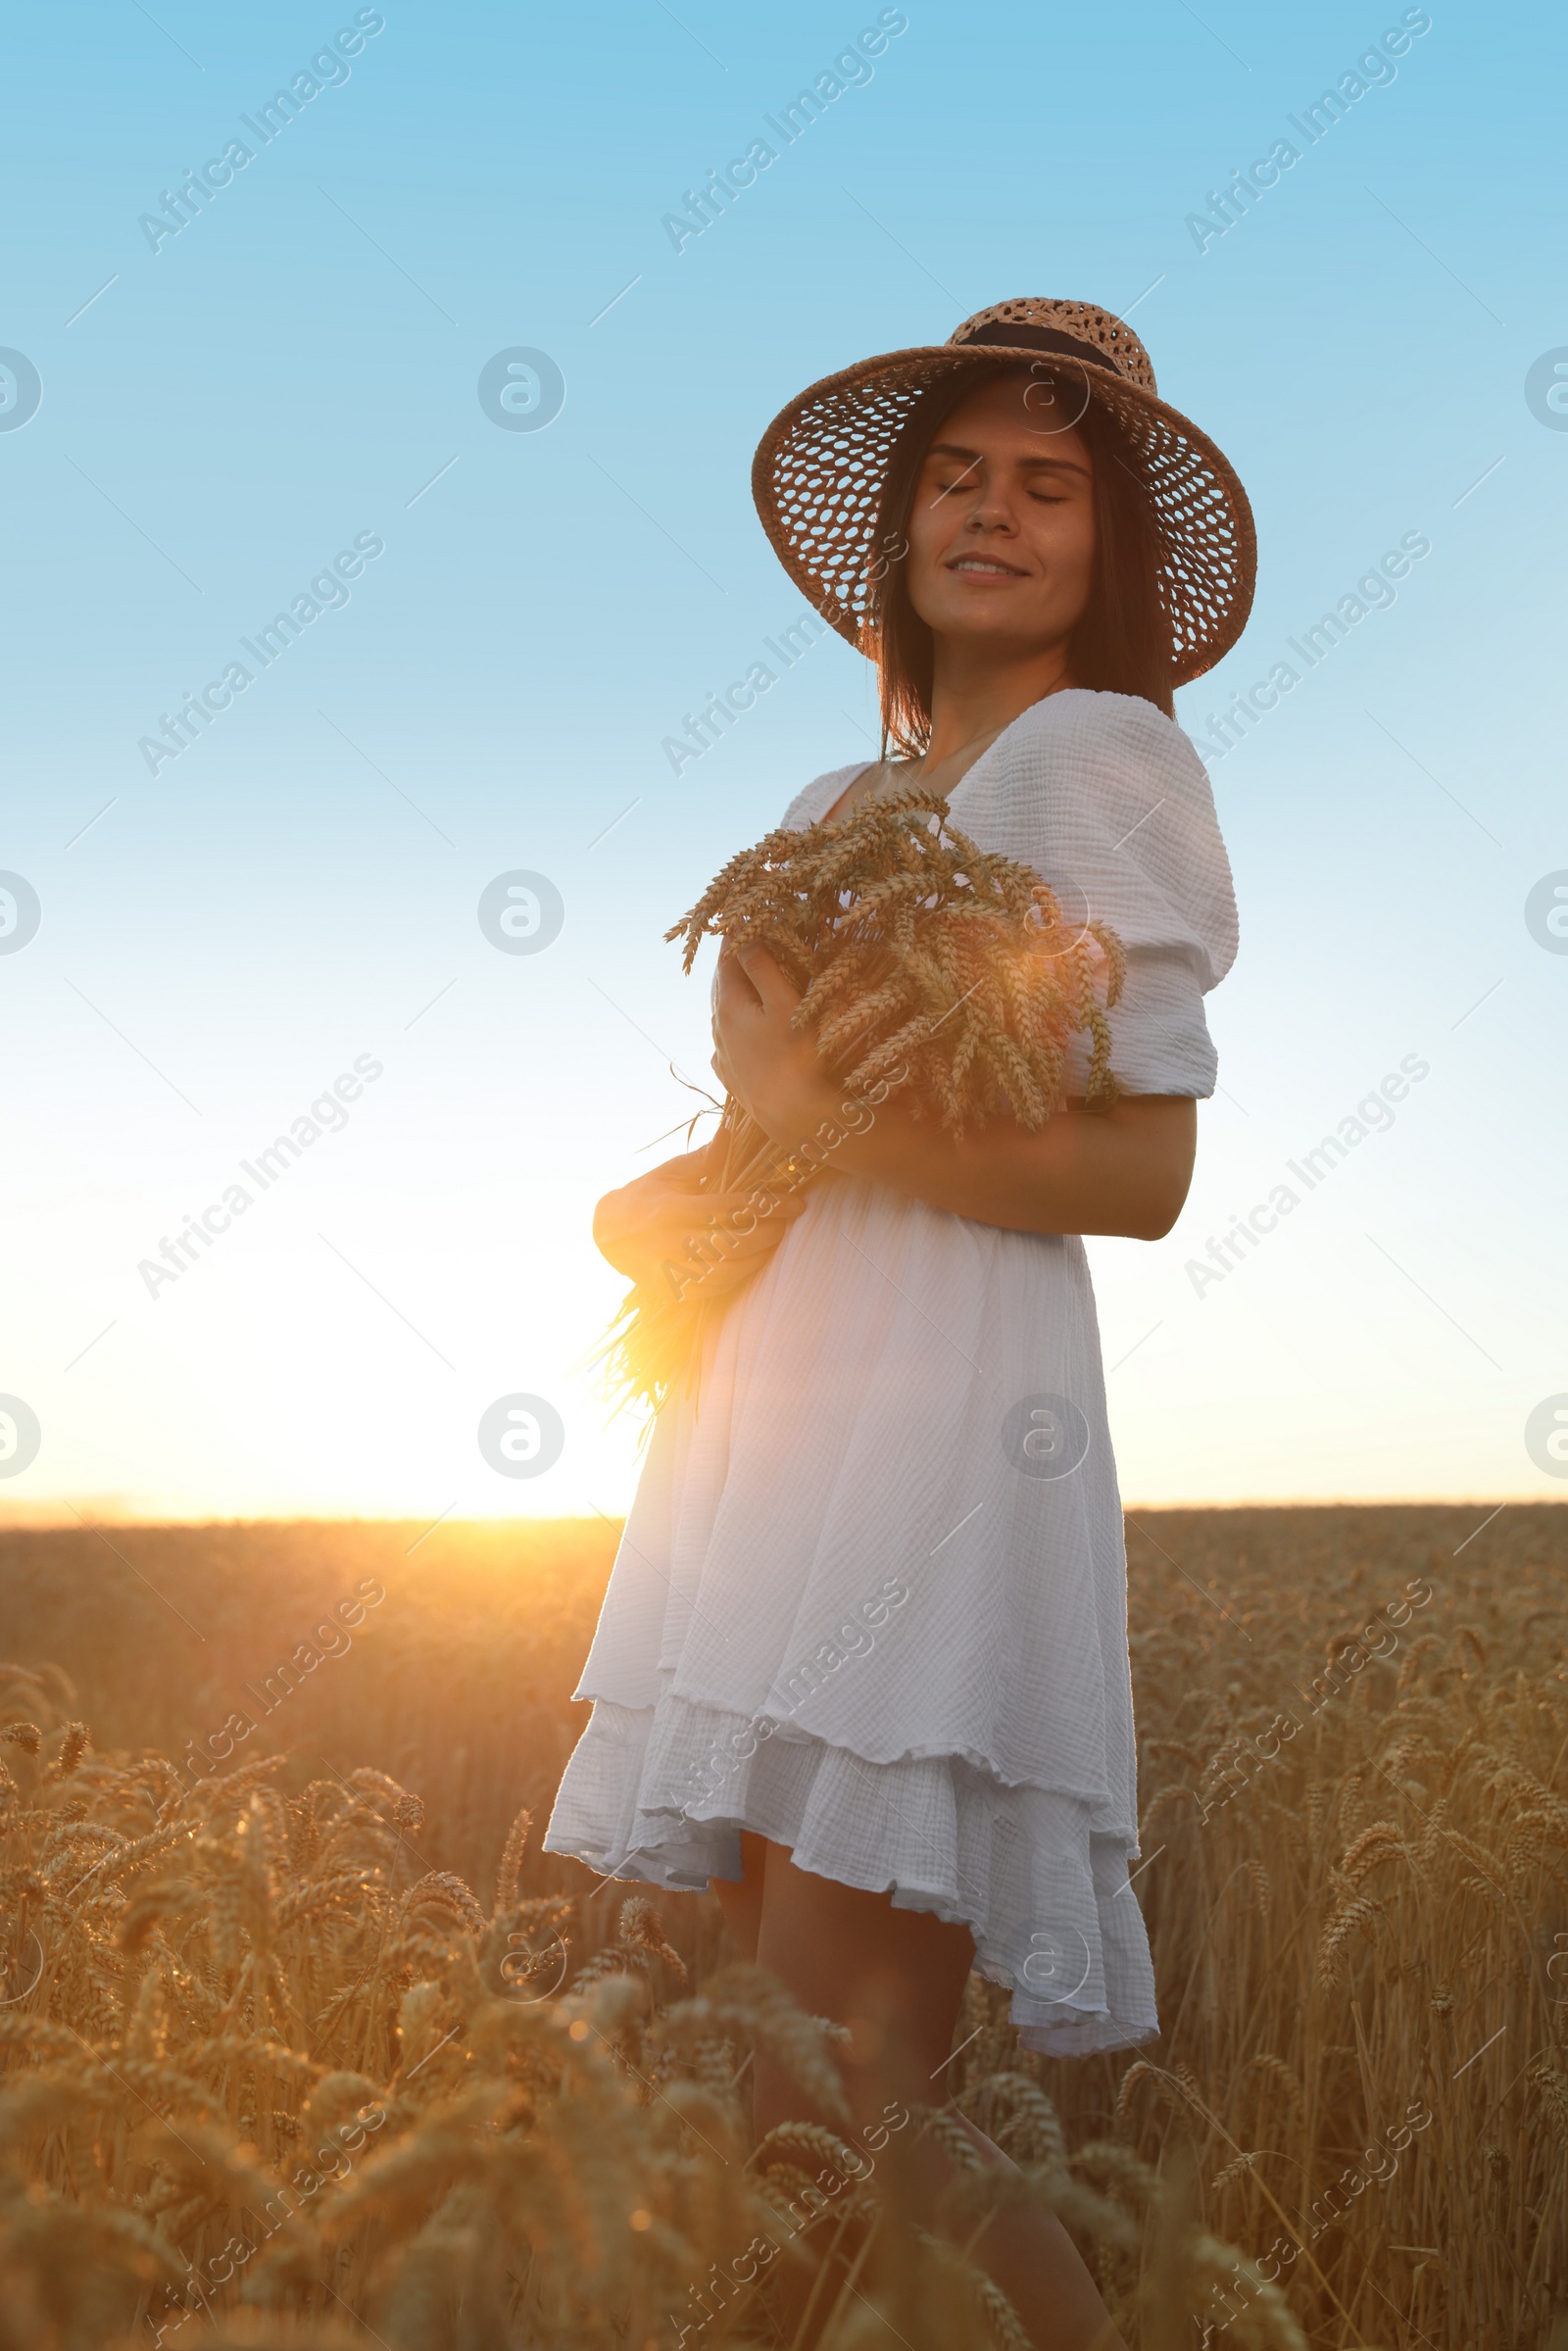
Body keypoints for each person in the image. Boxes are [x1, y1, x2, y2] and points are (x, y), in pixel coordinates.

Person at [546, 297, 1252, 2349]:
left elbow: (1141, 1174)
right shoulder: (828, 804)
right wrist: (648, 1206)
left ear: (1104, 550)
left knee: (852, 2072)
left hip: (938, 1411)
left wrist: (816, 1123)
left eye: (1047, 485)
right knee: (765, 2074)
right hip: (769, 1406)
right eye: (957, 473)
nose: (991, 512)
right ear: (898, 527)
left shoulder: (1092, 757)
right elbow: (761, 1150)